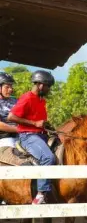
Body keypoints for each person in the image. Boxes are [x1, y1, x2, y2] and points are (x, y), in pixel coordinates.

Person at [8, 70, 56, 205]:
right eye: (48, 87)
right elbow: (11, 117)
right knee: (48, 157)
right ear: (40, 85)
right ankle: (41, 194)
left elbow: (39, 120)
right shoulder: (27, 98)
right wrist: (35, 123)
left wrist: (48, 127)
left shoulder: (41, 100)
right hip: (28, 136)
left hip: (42, 135)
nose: (49, 90)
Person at [0, 72, 19, 149]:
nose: (10, 89)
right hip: (5, 138)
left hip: (22, 136)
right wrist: (19, 130)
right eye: (7, 87)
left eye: (11, 86)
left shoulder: (16, 100)